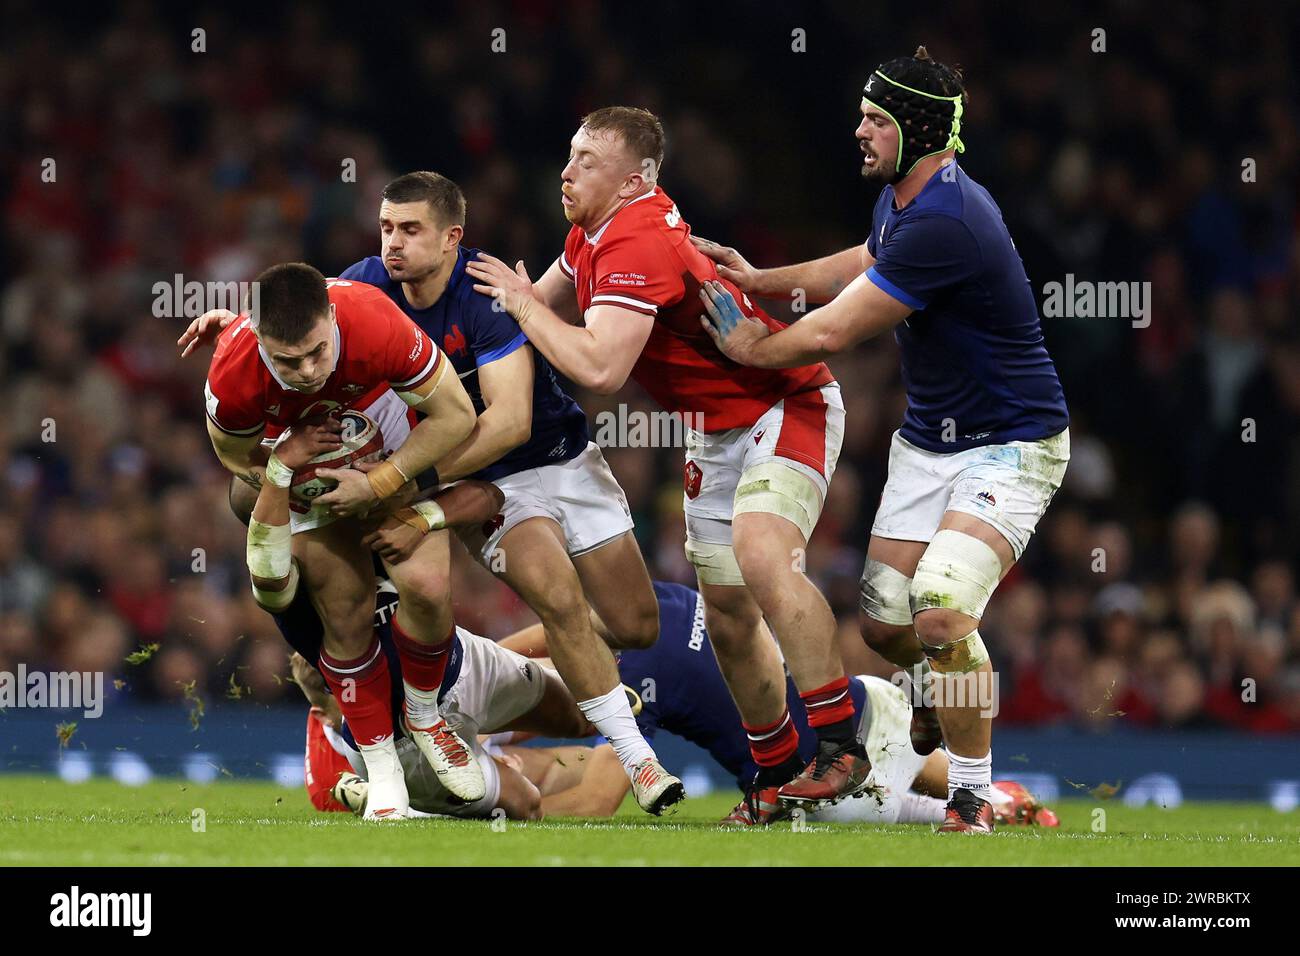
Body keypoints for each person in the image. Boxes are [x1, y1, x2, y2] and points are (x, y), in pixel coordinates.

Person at [181, 172, 683, 815]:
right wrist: (245, 335)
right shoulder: (363, 286)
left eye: (410, 230)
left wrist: (391, 482)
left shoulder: (483, 293)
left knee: (634, 625)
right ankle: (638, 761)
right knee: (553, 596)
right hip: (471, 474)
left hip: (548, 454)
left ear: (452, 237)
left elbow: (509, 423)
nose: (392, 243)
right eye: (387, 227)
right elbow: (306, 311)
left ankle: (480, 672)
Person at [696, 47, 1069, 833]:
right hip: (929, 443)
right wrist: (762, 280)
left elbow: (838, 328)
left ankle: (973, 794)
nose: (858, 130)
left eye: (875, 119)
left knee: (937, 612)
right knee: (883, 625)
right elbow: (863, 262)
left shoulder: (948, 221)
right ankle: (941, 692)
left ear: (917, 128)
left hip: (1012, 444)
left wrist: (751, 349)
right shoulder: (907, 201)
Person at [467, 107, 869, 821]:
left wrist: (525, 308)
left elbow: (598, 365)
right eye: (569, 154)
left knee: (762, 557)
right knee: (728, 616)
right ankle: (773, 780)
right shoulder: (595, 231)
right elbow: (529, 316)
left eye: (588, 159)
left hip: (785, 404)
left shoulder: (635, 240)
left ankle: (839, 744)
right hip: (716, 432)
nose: (567, 170)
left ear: (635, 180)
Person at [204, 263, 483, 819]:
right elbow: (236, 458)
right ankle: (383, 778)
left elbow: (456, 416)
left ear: (331, 318)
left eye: (317, 351)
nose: (308, 370)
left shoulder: (374, 321)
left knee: (426, 587)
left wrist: (380, 481)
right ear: (258, 339)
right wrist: (288, 473)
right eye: (288, 361)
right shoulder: (231, 375)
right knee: (346, 614)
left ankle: (426, 716)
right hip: (300, 456)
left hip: (387, 437)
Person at [496, 581, 1059, 828]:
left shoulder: (637, 689)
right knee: (928, 778)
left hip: (822, 787)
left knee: (908, 813)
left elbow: (595, 802)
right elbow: (563, 627)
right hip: (865, 701)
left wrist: (513, 812)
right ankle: (1005, 797)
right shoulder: (663, 600)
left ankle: (993, 807)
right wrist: (490, 670)